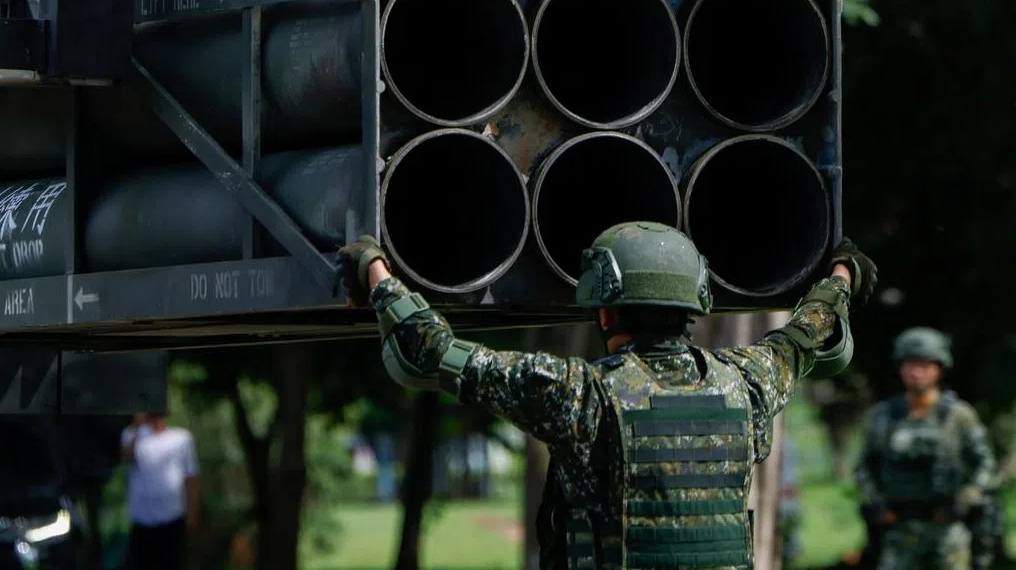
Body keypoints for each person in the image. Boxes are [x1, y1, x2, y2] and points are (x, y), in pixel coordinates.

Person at [339, 221, 876, 569]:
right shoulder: (748, 382)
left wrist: (374, 268)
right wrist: (843, 273)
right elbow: (807, 333)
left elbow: (430, 351)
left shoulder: (582, 393)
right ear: (693, 306)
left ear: (605, 310)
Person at [854, 327, 997, 570]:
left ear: (939, 368)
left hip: (947, 531)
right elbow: (863, 467)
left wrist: (964, 500)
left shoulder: (958, 416)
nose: (916, 372)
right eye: (909, 364)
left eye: (924, 364)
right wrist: (878, 504)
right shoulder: (883, 416)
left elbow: (986, 465)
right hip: (899, 531)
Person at [120, 412, 201, 570]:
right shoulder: (132, 436)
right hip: (142, 522)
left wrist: (192, 513)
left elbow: (191, 479)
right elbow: (126, 458)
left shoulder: (182, 438)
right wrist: (137, 426)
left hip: (173, 519)